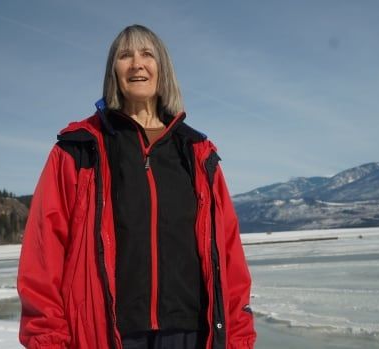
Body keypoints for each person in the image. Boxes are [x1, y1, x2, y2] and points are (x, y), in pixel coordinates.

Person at [17, 24, 256, 349]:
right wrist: (48, 340)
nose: (137, 63)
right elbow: (43, 254)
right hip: (107, 335)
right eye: (125, 55)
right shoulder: (79, 149)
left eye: (147, 54)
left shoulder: (198, 153)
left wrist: (238, 336)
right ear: (112, 71)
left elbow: (228, 255)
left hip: (191, 334)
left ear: (163, 68)